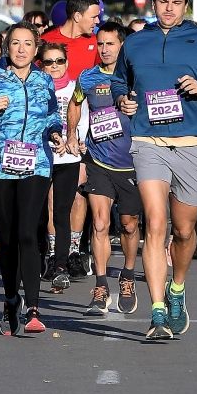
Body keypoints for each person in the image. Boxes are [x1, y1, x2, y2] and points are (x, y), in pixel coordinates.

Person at [111, 0, 197, 340]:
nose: (168, 9)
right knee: (155, 224)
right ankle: (157, 311)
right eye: (163, 2)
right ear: (154, 3)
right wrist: (123, 98)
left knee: (182, 231)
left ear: (186, 5)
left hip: (193, 144)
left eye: (175, 3)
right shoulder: (136, 42)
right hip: (148, 141)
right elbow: (121, 80)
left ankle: (177, 288)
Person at [0, 22, 64, 335]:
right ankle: (10, 299)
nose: (21, 49)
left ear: (36, 49)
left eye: (27, 44)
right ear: (7, 47)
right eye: (15, 43)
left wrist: (56, 133)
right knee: (7, 240)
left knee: (27, 233)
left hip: (36, 164)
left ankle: (33, 307)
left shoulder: (45, 80)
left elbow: (52, 116)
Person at [75, 21, 142, 317]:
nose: (104, 49)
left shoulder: (134, 77)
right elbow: (75, 105)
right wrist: (71, 135)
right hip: (98, 160)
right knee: (100, 223)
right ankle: (101, 286)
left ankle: (127, 276)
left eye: (110, 44)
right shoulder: (87, 77)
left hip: (132, 162)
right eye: (100, 44)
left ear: (122, 45)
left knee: (128, 224)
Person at [45, 41, 85, 291]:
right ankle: (50, 255)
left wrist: (73, 140)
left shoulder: (75, 89)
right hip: (42, 156)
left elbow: (84, 119)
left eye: (59, 61)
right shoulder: (38, 88)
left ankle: (62, 263)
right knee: (45, 208)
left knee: (62, 210)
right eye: (49, 62)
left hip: (69, 157)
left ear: (67, 63)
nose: (55, 66)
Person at [42, 0, 101, 82]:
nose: (98, 21)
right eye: (94, 17)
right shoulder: (46, 40)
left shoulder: (96, 41)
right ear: (77, 16)